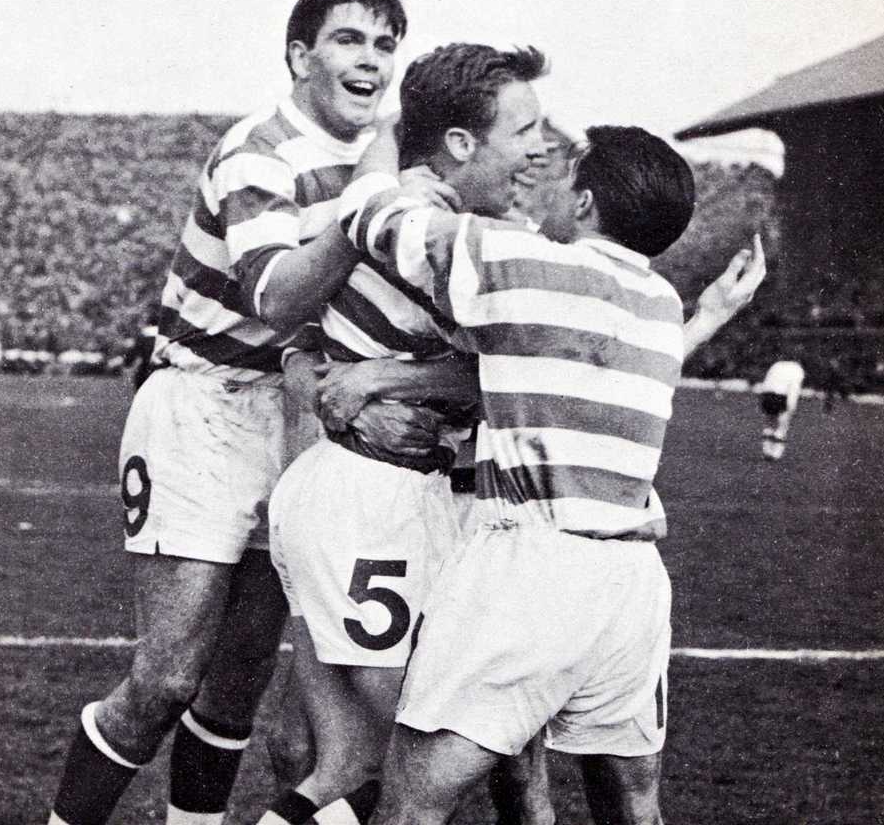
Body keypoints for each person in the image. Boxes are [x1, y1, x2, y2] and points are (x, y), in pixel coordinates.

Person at [263, 43, 764, 825]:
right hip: (632, 585)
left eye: (564, 171)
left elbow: (375, 218)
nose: (542, 167)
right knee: (633, 804)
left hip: (533, 566)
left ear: (588, 204)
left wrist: (394, 152)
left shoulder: (521, 266)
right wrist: (713, 314)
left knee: (410, 799)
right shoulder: (660, 306)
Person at [46, 0, 440, 825]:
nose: (371, 60)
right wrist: (369, 206)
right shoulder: (261, 151)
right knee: (165, 680)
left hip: (296, 415)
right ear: (300, 56)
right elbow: (277, 296)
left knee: (237, 683)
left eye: (385, 44)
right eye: (348, 39)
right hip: (204, 404)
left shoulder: (380, 163)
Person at [259, 45, 554, 825]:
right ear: (459, 142)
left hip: (369, 493)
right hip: (368, 500)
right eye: (525, 129)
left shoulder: (399, 201)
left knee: (350, 763)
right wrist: (358, 381)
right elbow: (512, 383)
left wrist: (373, 378)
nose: (543, 146)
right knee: (435, 743)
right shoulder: (438, 235)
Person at [758, 359, 805, 459]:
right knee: (782, 426)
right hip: (782, 395)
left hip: (768, 394)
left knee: (769, 423)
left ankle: (767, 451)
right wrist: (792, 406)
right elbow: (794, 388)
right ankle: (776, 453)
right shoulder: (798, 369)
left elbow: (767, 381)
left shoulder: (777, 364)